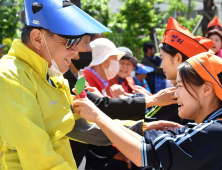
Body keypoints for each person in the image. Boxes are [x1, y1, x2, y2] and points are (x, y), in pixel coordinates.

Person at [0, 0, 112, 169]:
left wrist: (139, 129)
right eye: (69, 42)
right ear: (37, 38)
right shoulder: (10, 75)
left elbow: (79, 125)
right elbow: (37, 155)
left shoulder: (54, 76)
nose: (75, 53)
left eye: (78, 41)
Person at [73, 52, 222, 170]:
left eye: (180, 86)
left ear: (207, 89)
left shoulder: (214, 131)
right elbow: (145, 143)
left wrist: (98, 116)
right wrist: (143, 127)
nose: (176, 94)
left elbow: (142, 154)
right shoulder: (209, 126)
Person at [145, 17, 214, 125]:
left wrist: (147, 101)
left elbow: (147, 123)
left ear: (178, 58)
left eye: (162, 59)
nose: (161, 65)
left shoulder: (181, 95)